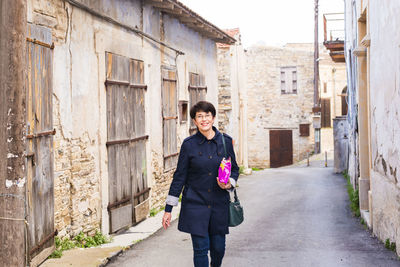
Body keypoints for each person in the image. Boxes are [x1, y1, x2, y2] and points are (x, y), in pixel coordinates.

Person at [162, 100, 239, 267]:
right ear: (195, 121)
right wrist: (168, 209)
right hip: (195, 204)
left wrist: (229, 184)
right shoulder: (189, 145)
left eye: (207, 115)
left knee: (218, 249)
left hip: (219, 204)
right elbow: (179, 176)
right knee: (200, 249)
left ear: (213, 118)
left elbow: (234, 169)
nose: (204, 119)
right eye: (199, 117)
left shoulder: (226, 142)